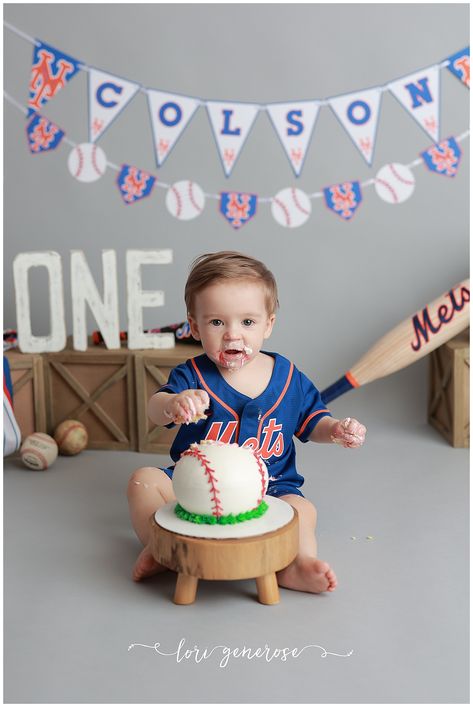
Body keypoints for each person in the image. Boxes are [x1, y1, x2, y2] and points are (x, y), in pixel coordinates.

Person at [127, 251, 366, 594]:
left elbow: (313, 421)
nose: (232, 335)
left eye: (248, 322)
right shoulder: (192, 376)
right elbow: (154, 408)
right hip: (197, 489)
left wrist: (336, 430)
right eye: (217, 322)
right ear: (194, 326)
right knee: (143, 482)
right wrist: (173, 405)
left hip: (270, 488)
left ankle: (295, 564)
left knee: (302, 509)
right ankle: (161, 548)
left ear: (269, 324)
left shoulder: (287, 376)